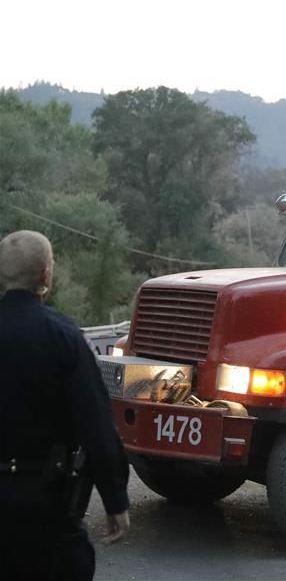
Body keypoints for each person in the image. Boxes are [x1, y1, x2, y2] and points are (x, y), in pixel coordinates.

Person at [0, 230, 131, 580]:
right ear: (46, 275)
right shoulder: (64, 337)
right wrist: (115, 499)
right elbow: (96, 426)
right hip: (44, 502)